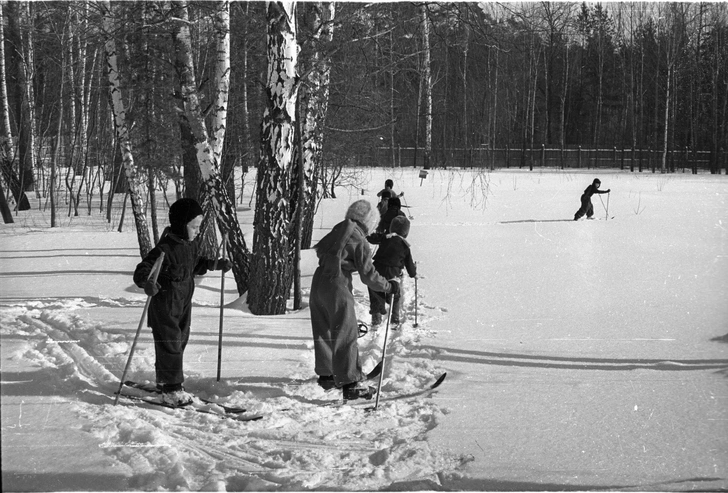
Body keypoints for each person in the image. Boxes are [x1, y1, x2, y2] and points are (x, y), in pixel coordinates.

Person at [133, 198, 231, 407]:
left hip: (183, 302)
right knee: (171, 344)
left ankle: (165, 381)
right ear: (181, 224)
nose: (197, 231)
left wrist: (215, 264)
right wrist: (147, 282)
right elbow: (142, 270)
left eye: (199, 226)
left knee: (179, 341)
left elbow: (196, 264)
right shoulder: (165, 248)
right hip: (165, 304)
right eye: (194, 226)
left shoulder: (190, 245)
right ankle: (171, 388)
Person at [310, 200, 400, 400]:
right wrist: (389, 286)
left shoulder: (338, 230)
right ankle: (350, 383)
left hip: (318, 283)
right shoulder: (358, 239)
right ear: (368, 222)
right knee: (345, 332)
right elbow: (368, 276)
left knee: (323, 328)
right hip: (336, 285)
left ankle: (327, 375)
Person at [367, 215, 417, 327]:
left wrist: (368, 234)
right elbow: (409, 264)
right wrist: (413, 273)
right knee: (395, 293)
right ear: (406, 232)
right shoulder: (405, 247)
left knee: (375, 289)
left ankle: (376, 316)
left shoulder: (385, 238)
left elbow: (372, 238)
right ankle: (394, 318)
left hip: (377, 270)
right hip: (392, 273)